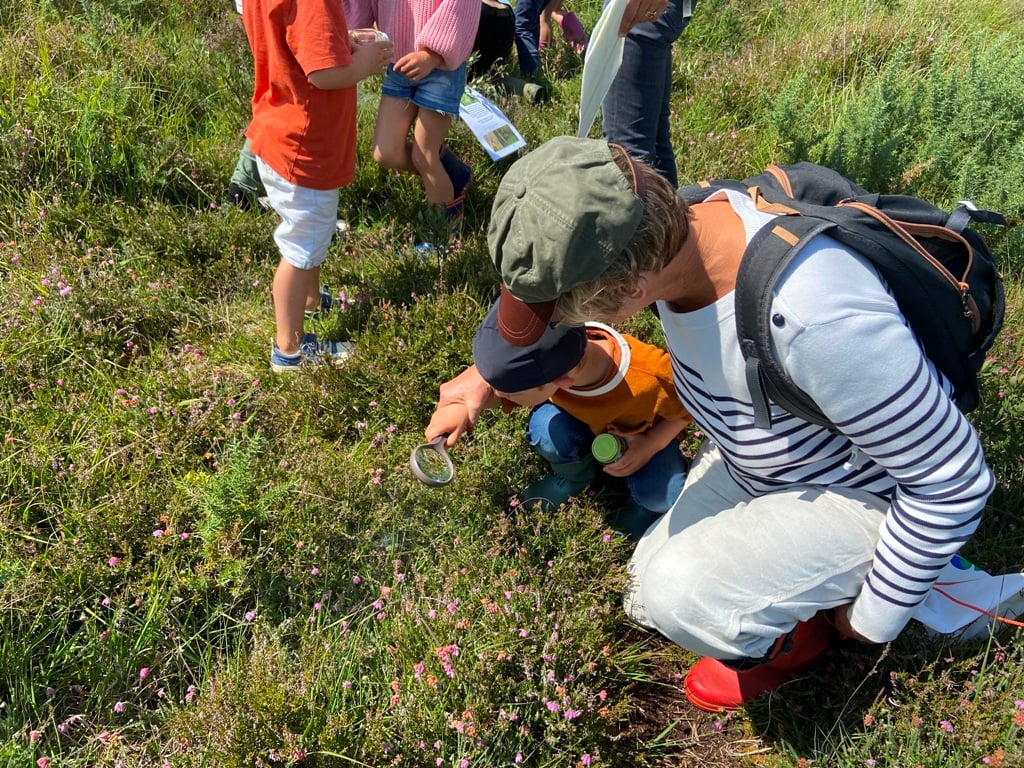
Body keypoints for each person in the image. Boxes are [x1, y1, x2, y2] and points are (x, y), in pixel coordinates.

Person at [425, 136, 998, 712]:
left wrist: (870, 620)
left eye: (564, 317)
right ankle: (800, 594)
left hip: (860, 491)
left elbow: (952, 482)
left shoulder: (811, 315)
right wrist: (483, 377)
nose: (563, 331)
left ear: (626, 291)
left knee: (682, 598)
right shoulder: (681, 218)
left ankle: (810, 637)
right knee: (643, 594)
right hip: (757, 458)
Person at [448, 297, 691, 537]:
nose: (499, 394)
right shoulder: (558, 350)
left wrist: (650, 445)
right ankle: (573, 478)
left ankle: (642, 507)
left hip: (647, 434)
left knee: (662, 494)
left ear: (561, 382)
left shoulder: (652, 377)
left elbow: (689, 408)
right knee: (545, 428)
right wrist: (463, 406)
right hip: (584, 421)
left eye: (510, 392)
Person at [242, 0, 393, 371]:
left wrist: (343, 40)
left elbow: (296, 43)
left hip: (280, 125)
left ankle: (309, 299)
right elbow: (323, 73)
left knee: (312, 234)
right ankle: (289, 351)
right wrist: (365, 63)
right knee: (300, 247)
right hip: (305, 145)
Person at [346, 0, 480, 229]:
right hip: (399, 62)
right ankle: (453, 174)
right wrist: (349, 33)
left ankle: (442, 234)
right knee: (385, 152)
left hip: (442, 67)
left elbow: (462, 5)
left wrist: (433, 54)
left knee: (424, 155)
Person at [602, 0, 697, 186]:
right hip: (662, 14)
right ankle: (670, 214)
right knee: (653, 142)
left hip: (639, 15)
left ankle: (648, 214)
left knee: (627, 159)